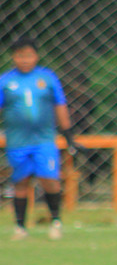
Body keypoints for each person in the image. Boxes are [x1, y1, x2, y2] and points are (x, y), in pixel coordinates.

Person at [0, 37, 72, 240]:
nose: (25, 59)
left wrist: (68, 133)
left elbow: (60, 104)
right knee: (20, 181)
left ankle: (56, 222)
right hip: (17, 141)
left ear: (36, 56)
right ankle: (20, 227)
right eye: (20, 55)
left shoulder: (47, 78)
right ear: (13, 57)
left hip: (44, 140)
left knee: (50, 179)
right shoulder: (5, 81)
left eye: (29, 55)